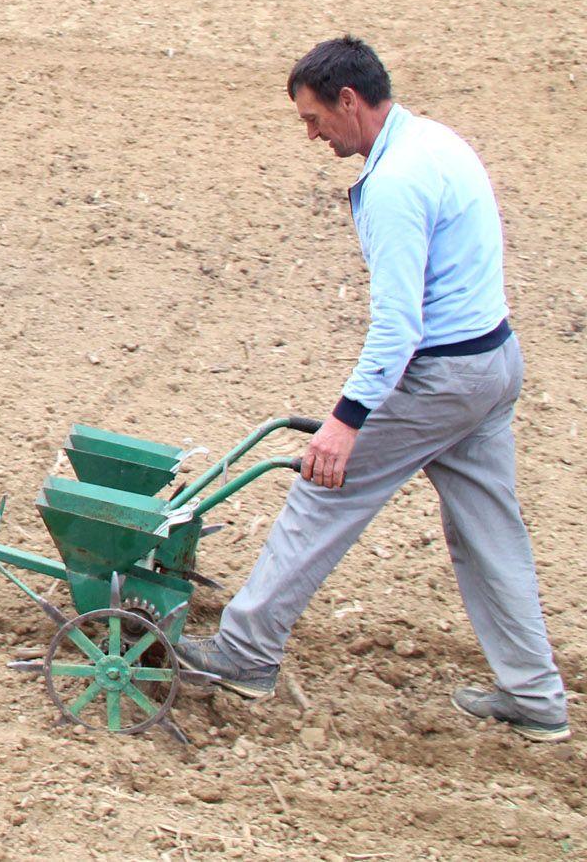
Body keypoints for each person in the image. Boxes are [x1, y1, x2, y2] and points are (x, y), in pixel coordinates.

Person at [178, 37, 568, 741]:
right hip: (494, 361)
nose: (312, 134)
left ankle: (243, 651)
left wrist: (345, 422)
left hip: (443, 374)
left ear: (348, 101)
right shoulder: (437, 141)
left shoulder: (394, 183)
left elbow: (398, 326)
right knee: (488, 529)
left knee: (323, 491)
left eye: (313, 118)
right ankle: (535, 694)